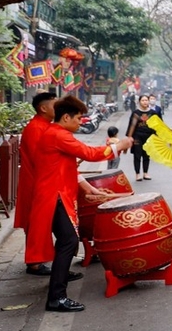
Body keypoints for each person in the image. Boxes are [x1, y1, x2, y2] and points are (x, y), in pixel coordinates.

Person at [33, 96, 132, 311]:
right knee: (68, 242)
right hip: (55, 196)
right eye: (78, 118)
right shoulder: (58, 135)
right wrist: (119, 146)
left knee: (66, 242)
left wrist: (89, 188)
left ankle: (57, 293)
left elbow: (67, 166)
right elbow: (89, 153)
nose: (81, 122)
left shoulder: (55, 134)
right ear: (66, 117)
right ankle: (56, 297)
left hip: (56, 194)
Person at [16, 91, 58, 276]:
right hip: (36, 181)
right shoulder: (35, 128)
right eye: (54, 105)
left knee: (41, 223)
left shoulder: (44, 125)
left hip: (42, 180)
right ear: (43, 108)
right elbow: (38, 158)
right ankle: (34, 263)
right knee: (36, 223)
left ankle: (39, 259)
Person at [126, 94, 157, 181]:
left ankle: (146, 173)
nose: (145, 102)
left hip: (149, 136)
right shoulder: (135, 113)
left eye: (146, 100)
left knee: (147, 155)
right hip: (137, 136)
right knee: (137, 155)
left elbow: (157, 126)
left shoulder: (153, 113)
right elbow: (131, 126)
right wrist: (130, 137)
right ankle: (137, 174)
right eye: (143, 100)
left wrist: (157, 136)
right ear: (139, 102)